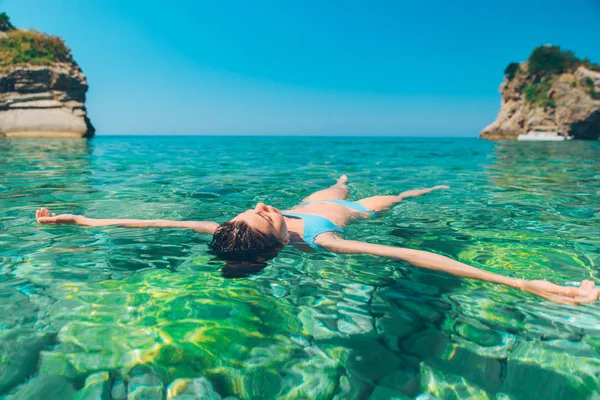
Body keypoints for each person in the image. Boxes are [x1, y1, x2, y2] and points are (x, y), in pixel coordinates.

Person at [35, 175, 598, 304]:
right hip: (348, 214)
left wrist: (79, 222)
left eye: (254, 210)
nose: (260, 206)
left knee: (332, 182)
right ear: (275, 244)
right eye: (264, 218)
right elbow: (412, 254)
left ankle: (344, 177)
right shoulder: (322, 245)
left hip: (317, 200)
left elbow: (148, 225)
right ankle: (419, 189)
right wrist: (522, 281)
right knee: (395, 200)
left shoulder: (233, 232)